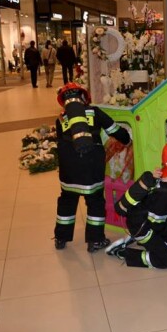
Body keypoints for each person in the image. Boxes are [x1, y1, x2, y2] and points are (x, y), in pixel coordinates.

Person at [53, 83, 131, 252]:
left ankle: (61, 238)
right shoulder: (95, 112)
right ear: (84, 97)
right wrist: (127, 140)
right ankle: (95, 240)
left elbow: (60, 142)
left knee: (67, 200)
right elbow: (115, 130)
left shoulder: (61, 119)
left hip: (68, 168)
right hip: (91, 165)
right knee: (95, 201)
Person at [105, 139, 167, 268]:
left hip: (147, 220)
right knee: (166, 260)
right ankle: (124, 252)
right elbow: (156, 223)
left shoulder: (166, 179)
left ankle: (136, 239)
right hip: (143, 227)